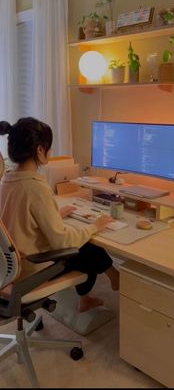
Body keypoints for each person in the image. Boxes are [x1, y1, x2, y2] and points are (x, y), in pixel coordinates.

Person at [0, 117, 119, 313]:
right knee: (89, 249)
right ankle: (112, 279)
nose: (50, 152)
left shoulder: (8, 179)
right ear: (39, 150)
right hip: (31, 269)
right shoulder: (35, 186)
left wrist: (56, 214)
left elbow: (19, 217)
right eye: (49, 147)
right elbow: (62, 242)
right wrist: (95, 226)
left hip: (8, 269)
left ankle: (90, 295)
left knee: (86, 244)